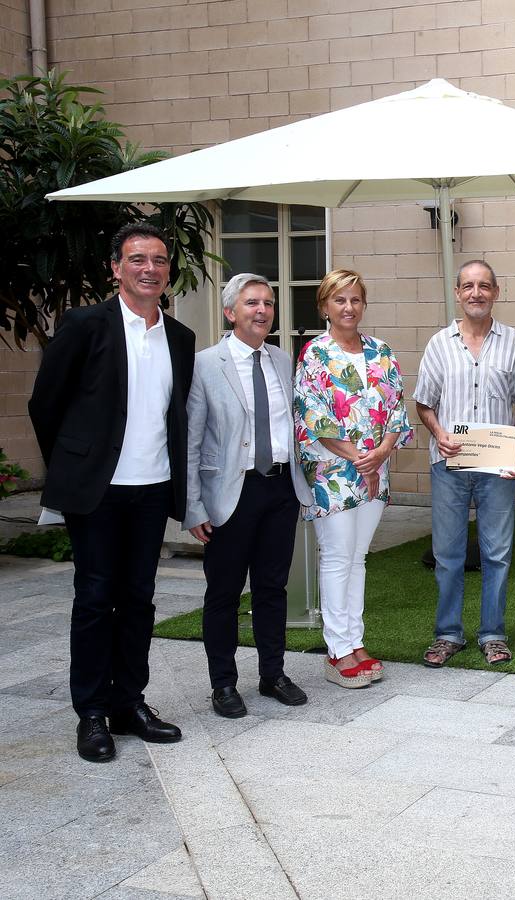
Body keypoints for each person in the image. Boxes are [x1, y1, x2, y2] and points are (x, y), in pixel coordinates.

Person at [29, 222, 195, 763]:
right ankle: (92, 713)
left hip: (152, 489)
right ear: (116, 268)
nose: (150, 269)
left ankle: (130, 703)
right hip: (98, 493)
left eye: (159, 260)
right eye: (137, 259)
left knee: (140, 600)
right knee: (97, 599)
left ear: (169, 271)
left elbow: (176, 415)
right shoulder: (83, 325)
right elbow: (45, 404)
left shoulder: (180, 338)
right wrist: (77, 466)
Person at [184, 273, 315, 719]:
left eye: (269, 303)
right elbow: (191, 440)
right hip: (230, 493)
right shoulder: (205, 364)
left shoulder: (282, 361)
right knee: (223, 592)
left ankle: (272, 673)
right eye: (252, 303)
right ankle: (223, 683)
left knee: (272, 588)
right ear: (229, 312)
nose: (262, 311)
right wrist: (192, 506)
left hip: (280, 488)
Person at [293, 269, 413, 689]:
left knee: (358, 558)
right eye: (339, 300)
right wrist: (360, 457)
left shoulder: (382, 351)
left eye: (356, 300)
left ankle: (355, 641)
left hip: (375, 472)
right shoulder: (315, 354)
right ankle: (337, 649)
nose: (349, 308)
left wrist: (380, 455)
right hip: (333, 475)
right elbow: (315, 419)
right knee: (337, 557)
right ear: (325, 306)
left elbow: (397, 411)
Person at [414, 260, 515, 668]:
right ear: (458, 293)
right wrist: (438, 432)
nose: (476, 293)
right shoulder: (438, 343)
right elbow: (424, 402)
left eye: (484, 286)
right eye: (468, 286)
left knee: (497, 553)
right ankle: (448, 633)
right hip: (449, 465)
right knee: (447, 554)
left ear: (496, 292)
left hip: (497, 468)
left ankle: (493, 633)